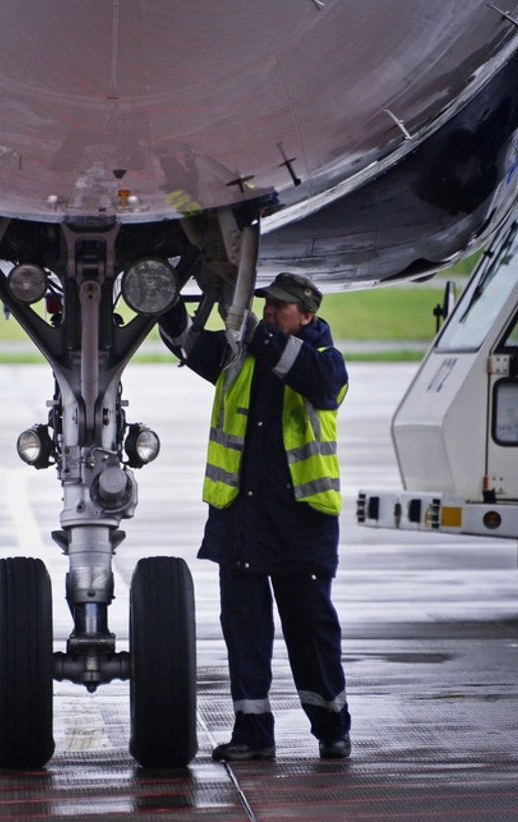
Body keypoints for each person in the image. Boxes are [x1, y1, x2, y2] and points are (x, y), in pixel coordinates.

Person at [159, 271, 352, 761]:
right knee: (244, 632)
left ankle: (332, 727)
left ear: (307, 315)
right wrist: (165, 303)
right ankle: (252, 731)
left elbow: (313, 380)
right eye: (267, 305)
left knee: (311, 632)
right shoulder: (241, 356)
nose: (269, 312)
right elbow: (188, 344)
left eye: (280, 307)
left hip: (299, 524)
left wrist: (253, 330)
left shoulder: (327, 362)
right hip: (241, 521)